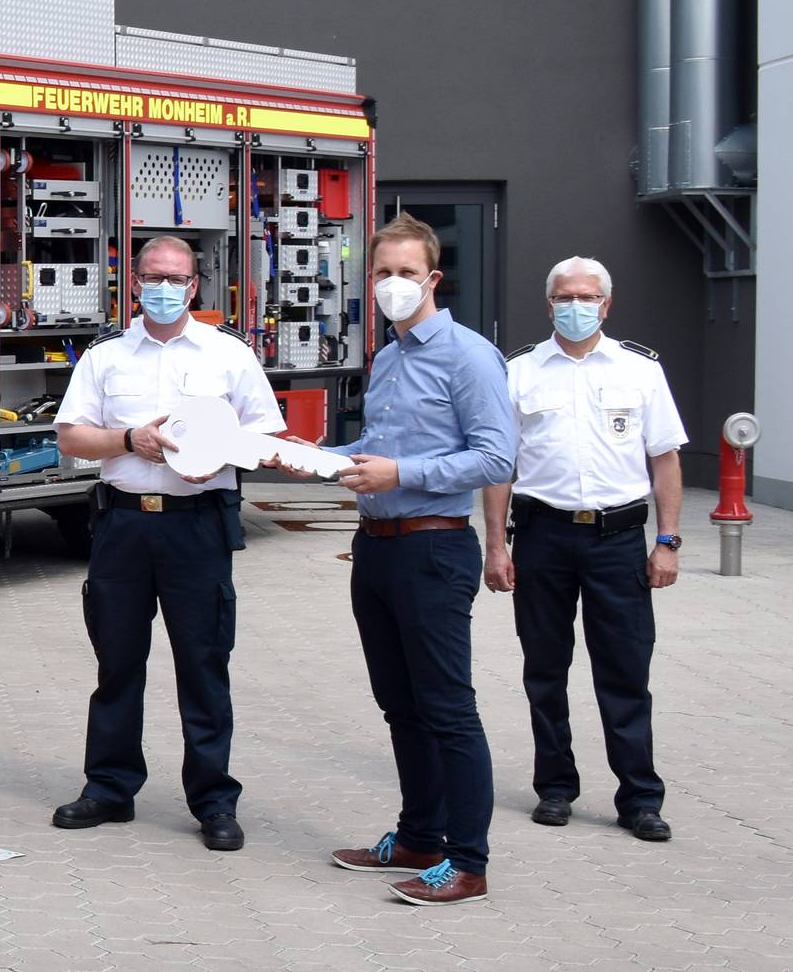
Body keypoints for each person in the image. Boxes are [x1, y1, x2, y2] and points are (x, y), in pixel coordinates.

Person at [48, 236, 281, 851]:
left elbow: (266, 433)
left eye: (175, 278)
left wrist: (218, 457)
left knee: (204, 665)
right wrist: (129, 440)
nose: (163, 287)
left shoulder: (228, 355)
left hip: (197, 524)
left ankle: (213, 801)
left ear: (195, 286)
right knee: (117, 662)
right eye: (152, 275)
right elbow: (71, 438)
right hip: (123, 526)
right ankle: (109, 788)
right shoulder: (105, 357)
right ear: (133, 280)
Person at [319, 212, 515, 906]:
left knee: (446, 710)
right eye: (381, 274)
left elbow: (495, 456)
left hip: (432, 547)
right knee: (399, 706)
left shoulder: (467, 356)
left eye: (405, 273)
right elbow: (373, 446)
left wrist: (399, 474)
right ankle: (417, 837)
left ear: (432, 278)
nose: (392, 285)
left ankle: (466, 861)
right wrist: (303, 456)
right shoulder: (390, 356)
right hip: (375, 551)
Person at [482, 256, 686, 843]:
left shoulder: (639, 370)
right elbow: (501, 466)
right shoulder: (519, 372)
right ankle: (555, 787)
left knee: (625, 672)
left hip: (619, 540)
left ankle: (640, 797)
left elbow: (664, 458)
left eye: (588, 296)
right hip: (543, 537)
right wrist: (496, 545)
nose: (576, 305)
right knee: (545, 669)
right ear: (549, 305)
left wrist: (666, 542)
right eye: (565, 296)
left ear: (606, 304)